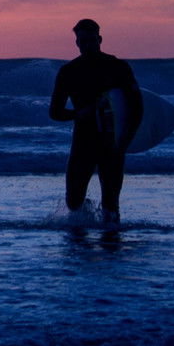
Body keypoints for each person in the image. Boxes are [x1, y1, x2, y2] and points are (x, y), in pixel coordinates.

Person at [49, 19, 143, 226]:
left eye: (91, 40)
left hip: (112, 142)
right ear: (77, 43)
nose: (87, 45)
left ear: (100, 39)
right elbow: (55, 112)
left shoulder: (117, 67)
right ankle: (82, 232)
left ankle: (111, 240)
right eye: (83, 41)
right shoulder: (69, 72)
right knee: (73, 201)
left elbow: (137, 107)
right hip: (83, 141)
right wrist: (78, 114)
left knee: (111, 204)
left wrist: (126, 139)